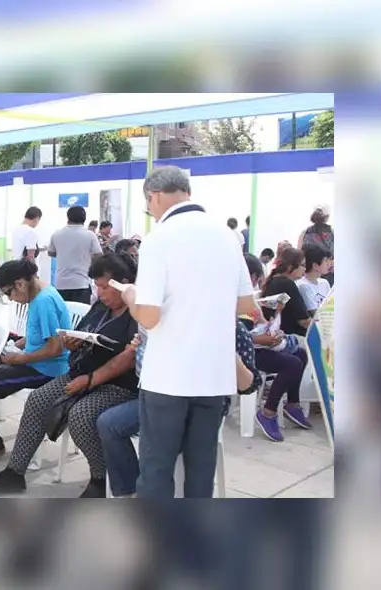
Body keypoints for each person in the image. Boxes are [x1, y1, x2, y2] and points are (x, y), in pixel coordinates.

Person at [119, 165, 257, 498]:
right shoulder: (227, 235)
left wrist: (131, 297)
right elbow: (245, 304)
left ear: (153, 198)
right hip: (213, 375)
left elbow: (149, 318)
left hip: (168, 376)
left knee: (157, 468)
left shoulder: (159, 239)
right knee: (200, 467)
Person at [0, 253, 140, 497]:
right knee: (37, 400)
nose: (101, 293)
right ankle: (15, 472)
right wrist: (73, 341)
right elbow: (82, 332)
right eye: (97, 287)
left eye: (105, 287)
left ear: (124, 284)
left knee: (81, 415)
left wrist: (89, 380)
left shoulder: (136, 314)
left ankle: (100, 477)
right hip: (82, 372)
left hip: (115, 384)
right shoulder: (101, 307)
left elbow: (126, 360)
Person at [97, 313, 261, 497]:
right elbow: (144, 374)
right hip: (159, 399)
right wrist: (142, 349)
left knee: (166, 456)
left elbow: (248, 385)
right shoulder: (162, 321)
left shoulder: (232, 327)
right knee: (109, 423)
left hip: (201, 407)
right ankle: (128, 492)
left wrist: (224, 349)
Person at [0, 259, 70, 463]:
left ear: (19, 284)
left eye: (8, 292)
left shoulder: (43, 302)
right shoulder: (40, 293)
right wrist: (19, 344)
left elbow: (56, 347)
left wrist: (21, 359)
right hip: (35, 363)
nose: (11, 298)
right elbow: (43, 334)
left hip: (46, 371)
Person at [242, 254, 312, 443]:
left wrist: (273, 331)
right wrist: (265, 338)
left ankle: (292, 403)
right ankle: (268, 412)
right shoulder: (230, 300)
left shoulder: (249, 299)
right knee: (292, 363)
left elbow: (262, 322)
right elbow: (236, 337)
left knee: (301, 354)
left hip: (258, 345)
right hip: (245, 352)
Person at [48, 205, 102, 304]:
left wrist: (64, 253)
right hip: (81, 282)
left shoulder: (57, 234)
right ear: (84, 219)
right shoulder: (90, 235)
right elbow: (98, 254)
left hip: (61, 283)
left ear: (68, 217)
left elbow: (51, 252)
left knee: (64, 315)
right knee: (81, 315)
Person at [261, 247, 313, 336]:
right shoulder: (287, 285)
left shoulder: (273, 281)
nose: (305, 269)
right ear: (290, 266)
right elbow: (304, 321)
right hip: (290, 337)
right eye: (302, 265)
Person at [297, 243, 332, 313]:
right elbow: (315, 314)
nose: (329, 264)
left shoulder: (324, 282)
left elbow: (331, 307)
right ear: (315, 265)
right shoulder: (303, 285)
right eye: (325, 261)